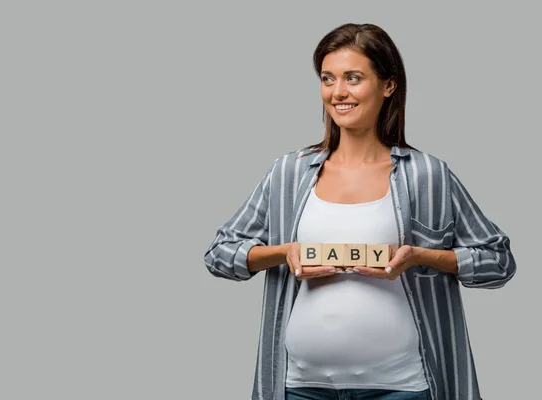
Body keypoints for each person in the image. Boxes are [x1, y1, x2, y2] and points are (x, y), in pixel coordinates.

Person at [204, 22, 516, 400]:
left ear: (388, 85)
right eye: (327, 78)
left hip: (403, 389)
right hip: (299, 388)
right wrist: (283, 253)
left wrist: (421, 257)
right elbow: (220, 255)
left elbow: (498, 262)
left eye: (353, 78)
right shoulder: (288, 173)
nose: (338, 93)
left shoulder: (428, 174)